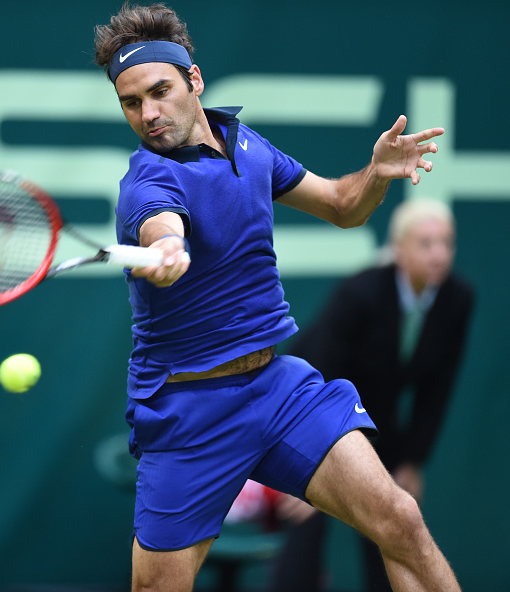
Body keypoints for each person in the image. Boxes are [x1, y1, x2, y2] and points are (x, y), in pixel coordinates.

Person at [93, 4, 462, 591]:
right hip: (191, 414)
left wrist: (376, 172)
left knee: (400, 519)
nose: (149, 114)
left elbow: (342, 206)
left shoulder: (247, 145)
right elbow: (162, 226)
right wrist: (166, 250)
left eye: (159, 91)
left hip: (275, 388)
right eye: (131, 103)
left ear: (194, 80)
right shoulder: (149, 182)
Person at [269, 199, 474, 592]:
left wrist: (413, 461)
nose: (439, 255)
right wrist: (308, 460)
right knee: (306, 519)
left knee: (395, 523)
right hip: (310, 410)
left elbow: (437, 388)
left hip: (378, 421)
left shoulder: (458, 300)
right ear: (399, 249)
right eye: (426, 243)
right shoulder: (361, 293)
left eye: (446, 244)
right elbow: (318, 372)